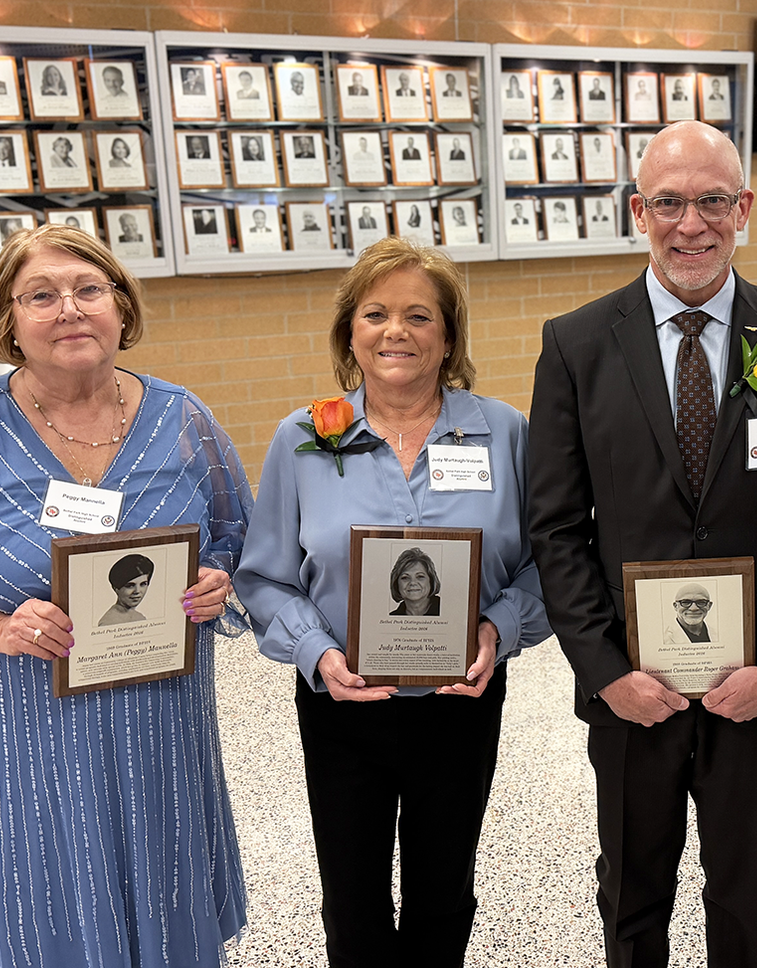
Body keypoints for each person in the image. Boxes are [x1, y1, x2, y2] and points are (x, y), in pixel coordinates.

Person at [0, 223, 254, 967]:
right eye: (41, 295)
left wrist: (215, 581)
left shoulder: (183, 421)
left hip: (157, 735)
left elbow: (238, 538)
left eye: (88, 289)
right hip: (22, 739)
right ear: (10, 321)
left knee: (164, 911)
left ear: (121, 306)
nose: (69, 308)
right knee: (34, 913)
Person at [528, 120, 757, 968]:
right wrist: (605, 674)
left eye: (713, 200)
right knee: (633, 895)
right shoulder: (574, 345)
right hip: (633, 692)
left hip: (751, 687)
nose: (692, 224)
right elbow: (558, 527)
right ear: (638, 210)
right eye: (669, 202)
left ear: (743, 208)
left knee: (742, 892)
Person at [236, 237, 550, 965]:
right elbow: (263, 577)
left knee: (446, 895)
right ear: (351, 332)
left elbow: (546, 565)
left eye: (419, 315)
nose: (396, 331)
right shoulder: (305, 438)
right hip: (342, 703)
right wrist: (315, 653)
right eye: (375, 313)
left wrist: (498, 630)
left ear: (448, 338)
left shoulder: (504, 432)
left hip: (461, 701)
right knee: (352, 900)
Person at [98, 554, 153, 626]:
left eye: (143, 584)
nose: (137, 591)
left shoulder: (139, 617)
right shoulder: (109, 623)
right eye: (130, 585)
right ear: (116, 588)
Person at [385, 547, 441, 616]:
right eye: (405, 577)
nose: (412, 583)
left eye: (420, 576)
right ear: (396, 584)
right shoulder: (391, 618)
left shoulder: (448, 611)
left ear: (431, 581)